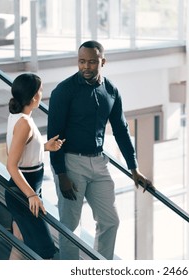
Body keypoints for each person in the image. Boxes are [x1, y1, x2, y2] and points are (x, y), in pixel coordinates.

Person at [47, 40, 153, 260]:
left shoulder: (111, 90)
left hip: (99, 162)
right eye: (82, 61)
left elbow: (121, 130)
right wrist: (61, 174)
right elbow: (53, 136)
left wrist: (134, 168)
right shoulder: (64, 91)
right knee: (70, 227)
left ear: (102, 61)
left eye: (92, 62)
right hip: (70, 162)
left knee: (110, 221)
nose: (86, 67)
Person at [5, 73, 65, 259]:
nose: (42, 93)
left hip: (27, 188)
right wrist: (31, 195)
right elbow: (11, 165)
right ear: (33, 97)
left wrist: (46, 147)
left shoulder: (19, 117)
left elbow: (23, 150)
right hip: (25, 191)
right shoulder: (24, 124)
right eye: (40, 90)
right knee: (45, 251)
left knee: (20, 242)